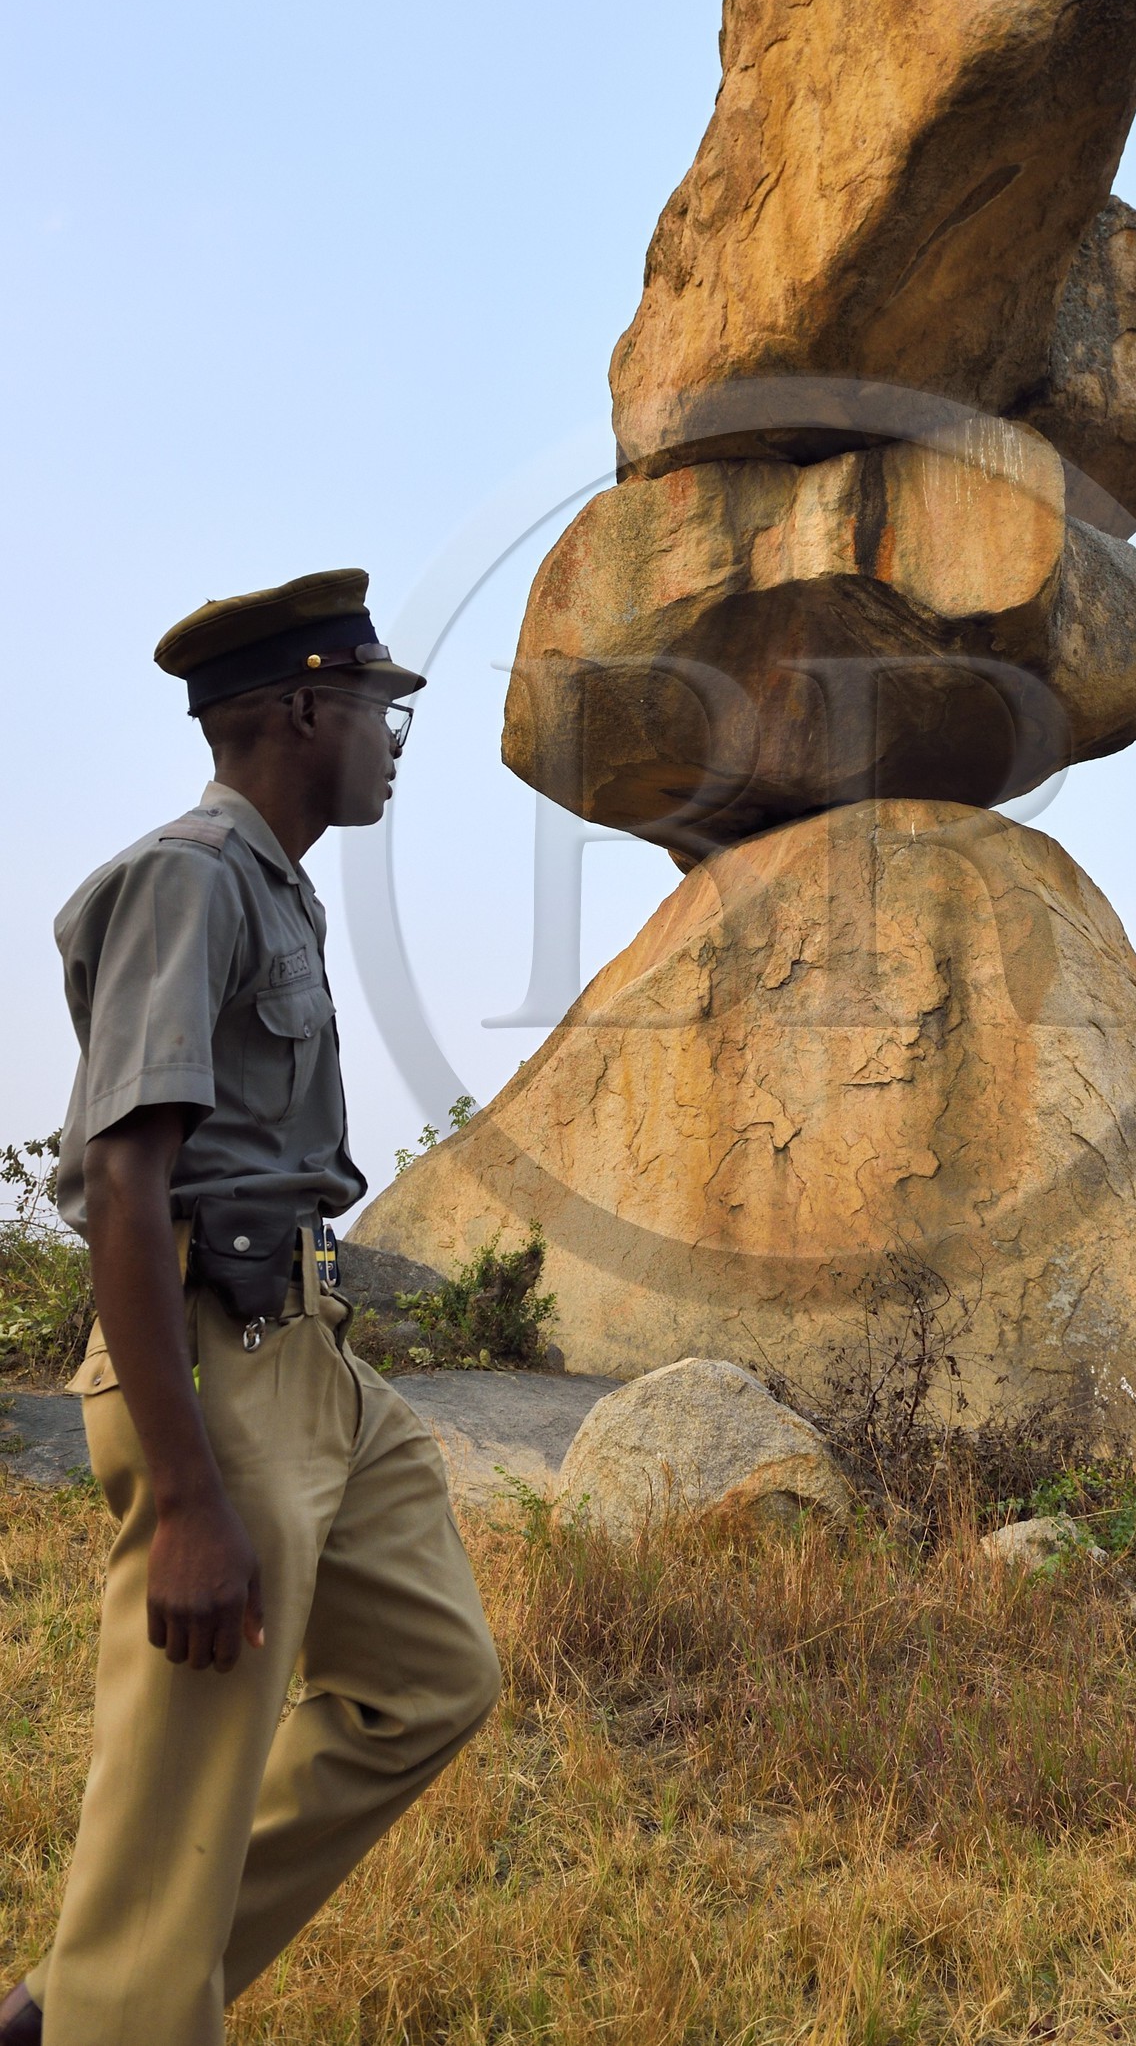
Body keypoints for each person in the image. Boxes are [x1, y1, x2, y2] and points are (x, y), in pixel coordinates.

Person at [1, 570, 501, 2046]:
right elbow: (127, 1177)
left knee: (431, 1679)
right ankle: (118, 2005)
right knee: (170, 1812)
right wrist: (188, 1496)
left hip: (312, 1357)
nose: (394, 736)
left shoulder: (277, 887)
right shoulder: (193, 876)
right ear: (297, 709)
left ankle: (100, 1993)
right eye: (374, 705)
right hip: (214, 1369)